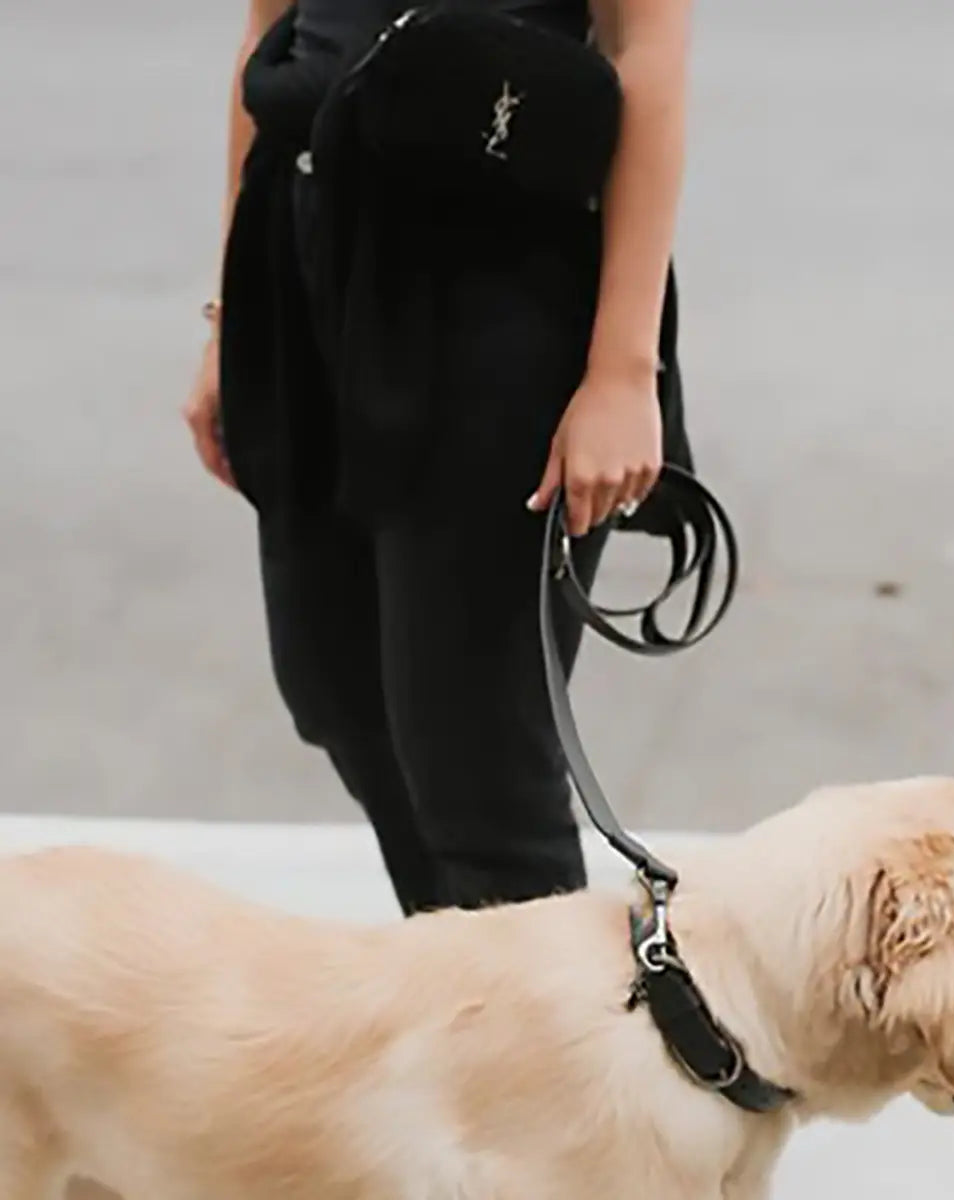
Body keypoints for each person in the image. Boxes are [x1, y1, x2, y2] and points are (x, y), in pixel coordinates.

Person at [182, 0, 696, 914]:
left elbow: (644, 53)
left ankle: (544, 1040)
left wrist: (621, 372)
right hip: (302, 259)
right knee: (339, 695)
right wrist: (232, 315)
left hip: (491, 283)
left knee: (480, 773)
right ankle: (462, 987)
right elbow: (269, 28)